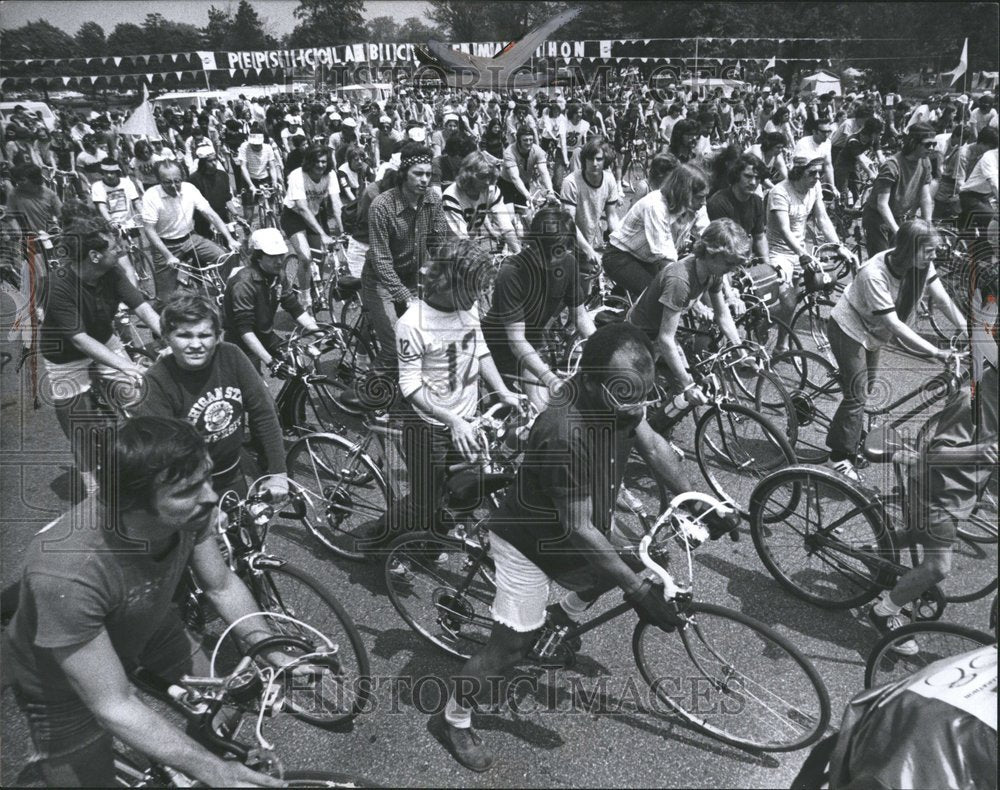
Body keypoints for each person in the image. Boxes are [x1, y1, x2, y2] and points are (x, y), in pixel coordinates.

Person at [432, 322, 737, 771]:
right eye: (626, 397)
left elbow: (654, 448)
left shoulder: (619, 401)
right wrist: (636, 593)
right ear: (589, 382)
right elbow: (578, 530)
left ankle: (564, 613)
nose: (637, 408)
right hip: (529, 541)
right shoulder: (564, 432)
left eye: (644, 396)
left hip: (579, 524)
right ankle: (452, 718)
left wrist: (699, 505)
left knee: (640, 559)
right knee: (511, 650)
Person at [1, 416, 293, 788]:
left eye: (207, 476)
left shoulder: (192, 511)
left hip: (150, 626)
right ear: (134, 505)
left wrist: (271, 650)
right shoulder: (66, 572)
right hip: (60, 685)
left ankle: (186, 763)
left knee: (225, 705)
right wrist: (213, 770)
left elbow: (220, 585)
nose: (210, 496)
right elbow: (114, 704)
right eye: (188, 489)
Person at [365, 240, 523, 551]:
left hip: (464, 419)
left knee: (466, 489)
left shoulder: (468, 306)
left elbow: (478, 349)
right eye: (474, 290)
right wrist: (451, 420)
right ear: (449, 283)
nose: (479, 298)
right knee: (424, 503)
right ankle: (375, 543)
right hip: (429, 427)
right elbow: (409, 386)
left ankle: (431, 544)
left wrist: (502, 391)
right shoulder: (411, 324)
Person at [824, 219, 968, 481]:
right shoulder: (873, 273)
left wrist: (968, 329)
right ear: (910, 249)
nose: (934, 256)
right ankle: (838, 456)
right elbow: (895, 325)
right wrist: (936, 352)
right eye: (929, 251)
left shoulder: (921, 264)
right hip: (850, 326)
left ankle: (853, 431)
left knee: (865, 389)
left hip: (874, 330)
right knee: (856, 394)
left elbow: (942, 298)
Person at [39, 216, 161, 493]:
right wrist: (128, 366)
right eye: (114, 245)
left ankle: (148, 457)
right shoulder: (57, 285)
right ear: (94, 256)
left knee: (139, 397)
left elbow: (142, 308)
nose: (121, 247)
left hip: (104, 339)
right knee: (79, 426)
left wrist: (172, 338)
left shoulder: (112, 271)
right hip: (66, 358)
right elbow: (80, 341)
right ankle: (92, 486)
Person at [136, 292, 289, 498]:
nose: (196, 344)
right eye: (184, 335)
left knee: (246, 525)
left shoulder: (231, 355)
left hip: (232, 469)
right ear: (166, 338)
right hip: (187, 483)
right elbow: (162, 454)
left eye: (204, 335)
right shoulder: (156, 381)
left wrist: (278, 473)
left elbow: (264, 412)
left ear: (217, 336)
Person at [626, 218, 748, 400]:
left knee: (684, 392)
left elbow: (723, 315)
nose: (732, 269)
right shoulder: (680, 281)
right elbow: (665, 339)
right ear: (711, 253)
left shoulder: (713, 272)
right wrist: (687, 384)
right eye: (729, 263)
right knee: (642, 402)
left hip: (660, 333)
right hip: (641, 337)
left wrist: (742, 353)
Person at [361, 141, 447, 383]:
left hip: (412, 276)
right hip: (381, 282)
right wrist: (405, 296)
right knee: (395, 346)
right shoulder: (382, 206)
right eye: (417, 174)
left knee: (428, 338)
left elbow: (438, 243)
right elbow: (380, 259)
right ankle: (361, 395)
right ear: (403, 175)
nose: (424, 180)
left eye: (428, 174)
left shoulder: (432, 199)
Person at [603, 162, 709, 300]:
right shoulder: (656, 205)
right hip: (621, 256)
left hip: (649, 259)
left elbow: (710, 240)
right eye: (700, 197)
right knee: (658, 297)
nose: (704, 202)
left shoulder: (697, 206)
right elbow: (666, 257)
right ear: (685, 193)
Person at [222, 227, 320, 373]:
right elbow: (245, 329)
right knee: (255, 388)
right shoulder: (243, 284)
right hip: (241, 342)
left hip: (265, 334)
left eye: (281, 255)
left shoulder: (277, 274)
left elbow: (294, 308)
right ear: (259, 257)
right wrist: (271, 362)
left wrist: (319, 332)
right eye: (273, 257)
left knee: (299, 367)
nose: (279, 261)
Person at [140, 160, 238, 304]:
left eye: (177, 181)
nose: (173, 186)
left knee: (225, 258)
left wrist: (230, 239)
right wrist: (168, 256)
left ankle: (226, 294)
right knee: (166, 299)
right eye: (167, 182)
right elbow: (149, 230)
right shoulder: (151, 195)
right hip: (166, 245)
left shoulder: (189, 189)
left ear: (182, 177)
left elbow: (210, 214)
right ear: (159, 181)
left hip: (190, 238)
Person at [279, 144, 343, 309]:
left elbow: (336, 203)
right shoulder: (297, 175)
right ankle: (305, 297)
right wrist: (322, 233)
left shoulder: (330, 175)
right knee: (306, 257)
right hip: (294, 216)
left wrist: (343, 230)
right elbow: (301, 207)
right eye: (317, 162)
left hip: (314, 215)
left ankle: (316, 292)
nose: (321, 165)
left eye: (324, 162)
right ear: (309, 162)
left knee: (319, 257)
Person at [861, 123, 936, 256]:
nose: (931, 148)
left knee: (902, 258)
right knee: (883, 259)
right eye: (927, 144)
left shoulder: (925, 162)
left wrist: (928, 225)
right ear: (913, 143)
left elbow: (925, 197)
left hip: (899, 215)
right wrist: (897, 231)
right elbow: (882, 204)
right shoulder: (892, 165)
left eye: (934, 144)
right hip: (877, 218)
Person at [559, 138, 624, 272]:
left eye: (599, 159)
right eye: (590, 159)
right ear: (584, 160)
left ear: (605, 160)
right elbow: (568, 223)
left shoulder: (609, 180)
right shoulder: (570, 182)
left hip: (591, 240)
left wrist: (622, 242)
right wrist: (587, 249)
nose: (594, 164)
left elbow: (612, 216)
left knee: (590, 284)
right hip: (569, 244)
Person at [442, 151, 519, 253]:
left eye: (489, 176)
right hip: (451, 246)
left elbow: (506, 227)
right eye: (482, 177)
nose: (487, 182)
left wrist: (519, 253)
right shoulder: (451, 196)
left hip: (469, 241)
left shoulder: (491, 190)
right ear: (468, 175)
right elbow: (461, 239)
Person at [498, 125, 553, 208]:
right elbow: (515, 178)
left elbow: (544, 173)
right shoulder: (509, 152)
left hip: (524, 183)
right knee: (510, 216)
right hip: (507, 185)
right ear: (518, 140)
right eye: (525, 140)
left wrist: (551, 192)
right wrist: (528, 195)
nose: (528, 142)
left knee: (527, 215)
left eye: (531, 140)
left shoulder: (537, 150)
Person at [185, 145, 233, 239]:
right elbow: (195, 206)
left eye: (215, 159)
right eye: (210, 161)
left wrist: (236, 214)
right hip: (203, 222)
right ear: (203, 162)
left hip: (222, 218)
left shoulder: (223, 176)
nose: (214, 163)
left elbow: (227, 199)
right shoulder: (193, 179)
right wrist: (211, 222)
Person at [235, 129, 281, 222]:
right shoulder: (244, 147)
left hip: (264, 178)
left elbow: (272, 167)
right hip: (249, 179)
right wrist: (251, 185)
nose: (256, 147)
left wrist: (275, 181)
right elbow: (243, 167)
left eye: (258, 145)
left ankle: (273, 223)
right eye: (254, 145)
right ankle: (248, 232)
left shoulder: (268, 148)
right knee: (249, 214)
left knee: (271, 207)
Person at [4, 162, 62, 233]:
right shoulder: (14, 194)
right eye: (17, 180)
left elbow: (62, 215)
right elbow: (10, 217)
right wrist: (19, 232)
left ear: (34, 179)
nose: (18, 182)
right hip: (28, 238)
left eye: (22, 180)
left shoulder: (50, 194)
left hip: (49, 235)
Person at [793, 117, 837, 188]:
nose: (826, 135)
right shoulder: (803, 143)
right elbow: (800, 168)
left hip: (815, 177)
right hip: (801, 177)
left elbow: (828, 165)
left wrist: (833, 187)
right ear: (814, 131)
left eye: (828, 132)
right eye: (823, 132)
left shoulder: (827, 143)